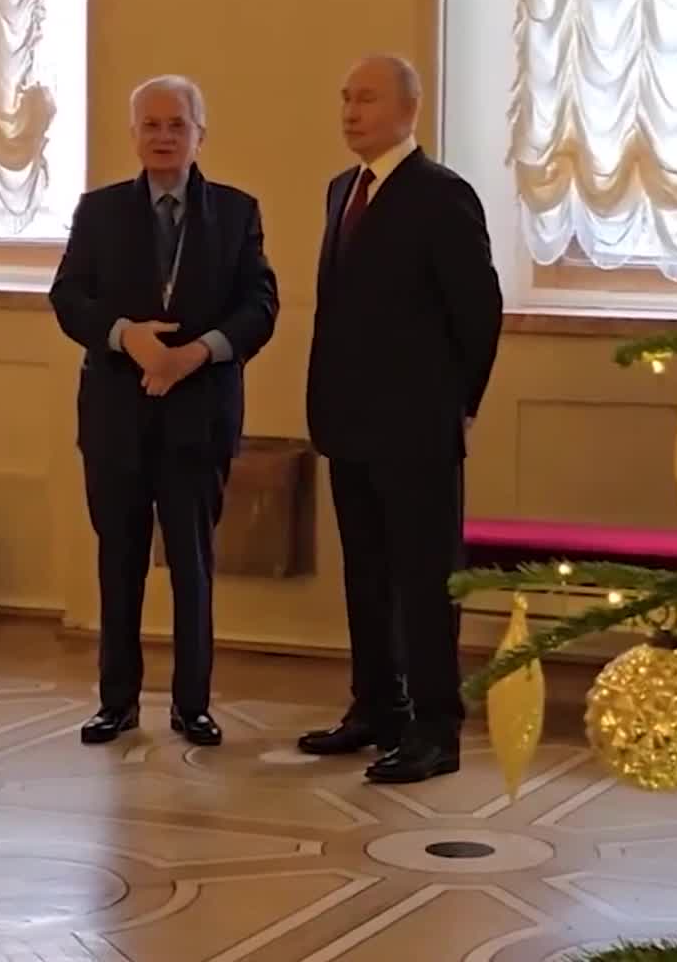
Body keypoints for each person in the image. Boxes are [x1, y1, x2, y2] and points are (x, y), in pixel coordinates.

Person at [49, 75, 279, 748]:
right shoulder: (98, 212)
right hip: (116, 420)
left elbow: (260, 307)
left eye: (177, 124)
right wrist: (128, 337)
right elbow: (69, 297)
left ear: (200, 134)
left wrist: (195, 354)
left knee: (192, 566)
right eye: (150, 125)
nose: (163, 136)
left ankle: (192, 705)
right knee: (118, 562)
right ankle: (116, 701)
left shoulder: (236, 212)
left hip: (198, 419)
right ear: (133, 135)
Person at [298, 54, 503, 784]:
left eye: (367, 99)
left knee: (424, 580)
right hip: (348, 422)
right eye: (346, 98)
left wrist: (460, 405)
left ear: (408, 110)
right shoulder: (341, 190)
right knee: (366, 575)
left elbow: (478, 312)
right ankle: (376, 707)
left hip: (416, 427)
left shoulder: (441, 194)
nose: (351, 112)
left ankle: (435, 728)